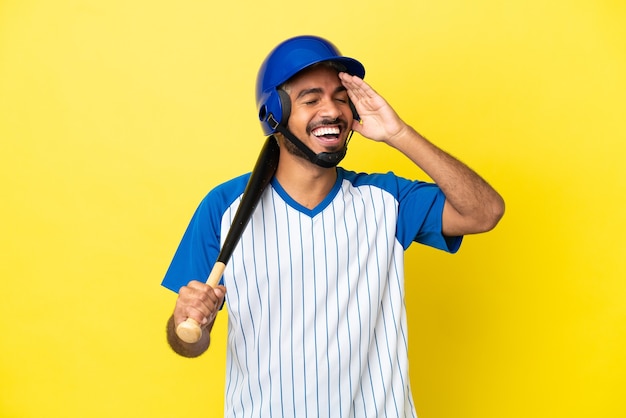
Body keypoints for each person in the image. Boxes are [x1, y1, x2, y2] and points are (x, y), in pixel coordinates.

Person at [161, 35, 504, 417]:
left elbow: (484, 211)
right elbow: (188, 341)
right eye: (311, 99)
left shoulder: (386, 199)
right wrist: (185, 323)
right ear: (274, 112)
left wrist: (399, 134)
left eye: (341, 97)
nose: (333, 111)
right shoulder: (224, 208)